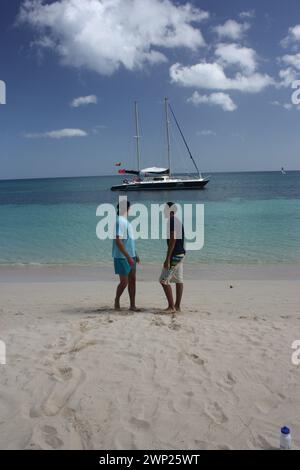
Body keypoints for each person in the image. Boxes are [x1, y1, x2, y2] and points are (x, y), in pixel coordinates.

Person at [112, 200, 140, 311]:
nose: (130, 210)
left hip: (131, 255)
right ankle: (117, 299)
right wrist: (128, 257)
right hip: (122, 257)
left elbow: (129, 241)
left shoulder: (126, 222)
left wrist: (135, 254)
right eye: (129, 208)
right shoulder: (119, 221)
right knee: (124, 282)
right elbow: (118, 241)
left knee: (132, 280)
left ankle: (132, 305)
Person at [159, 202, 185, 313]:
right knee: (179, 280)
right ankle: (177, 306)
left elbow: (173, 239)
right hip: (181, 254)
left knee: (163, 280)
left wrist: (167, 258)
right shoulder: (177, 220)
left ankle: (171, 307)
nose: (163, 211)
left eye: (164, 209)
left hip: (175, 255)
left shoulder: (172, 221)